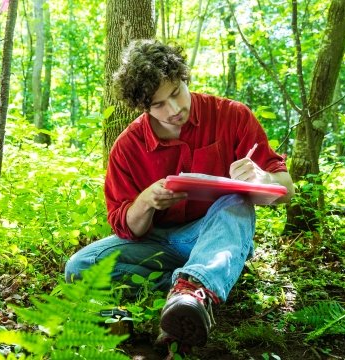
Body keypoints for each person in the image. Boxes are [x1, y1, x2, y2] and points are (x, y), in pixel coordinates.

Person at [64, 40, 295, 350]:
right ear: (143, 107)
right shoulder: (128, 146)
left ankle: (193, 291)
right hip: (155, 242)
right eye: (158, 104)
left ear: (185, 78)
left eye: (175, 93)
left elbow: (285, 190)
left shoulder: (231, 116)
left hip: (215, 236)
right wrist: (145, 202)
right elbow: (125, 227)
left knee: (235, 201)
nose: (173, 110)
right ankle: (137, 318)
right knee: (80, 267)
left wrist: (263, 179)